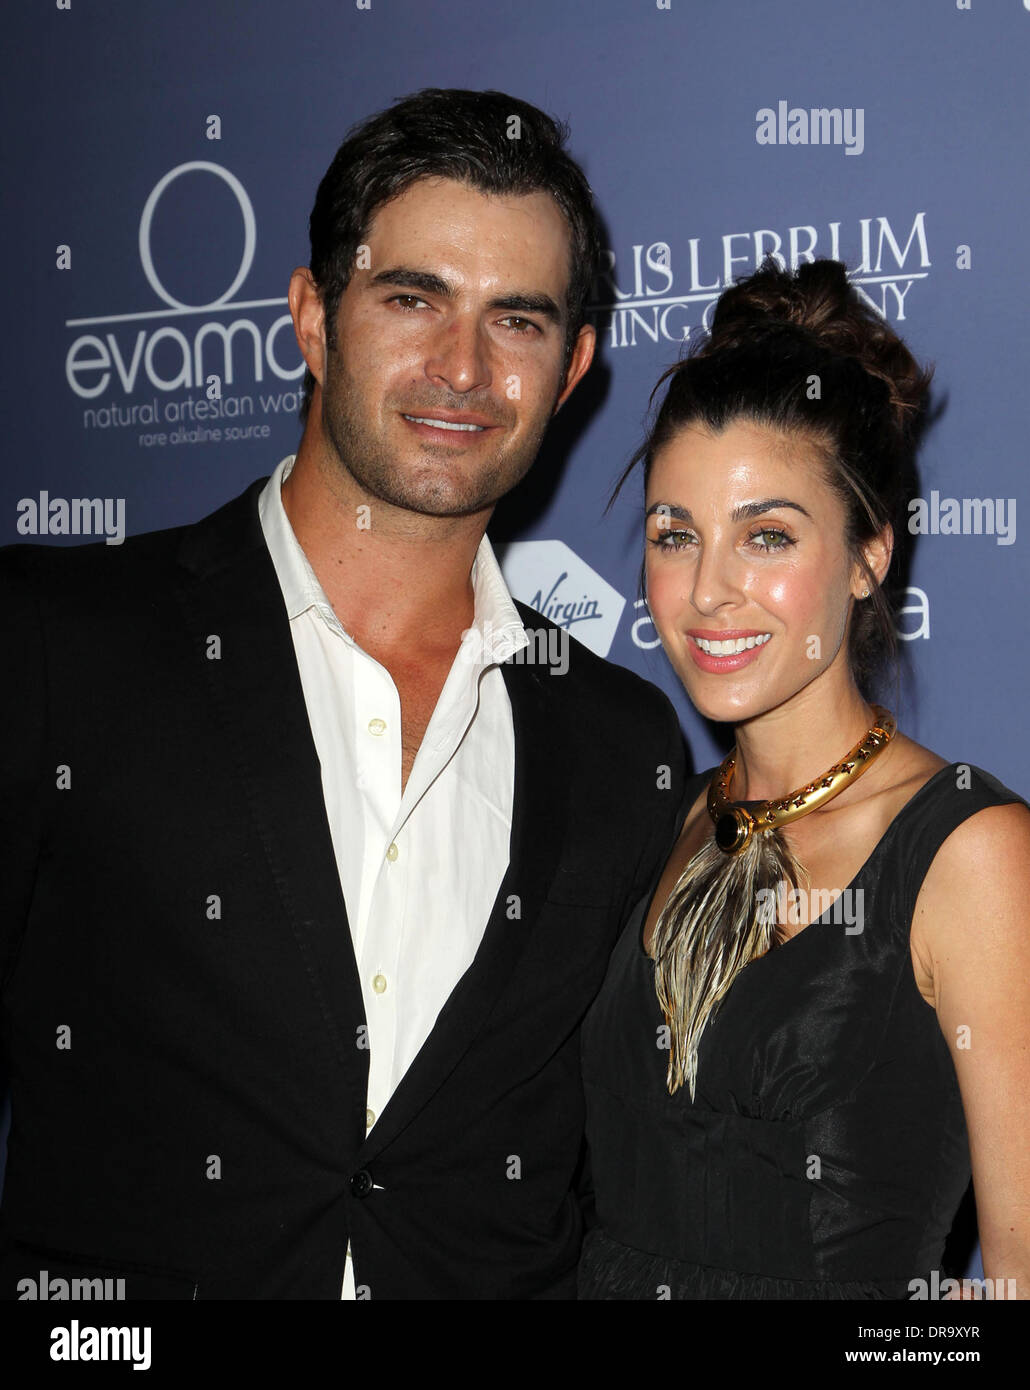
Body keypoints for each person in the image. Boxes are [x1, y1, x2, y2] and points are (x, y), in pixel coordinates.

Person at [0, 88, 687, 1299]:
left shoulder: (621, 743)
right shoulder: (59, 641)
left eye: (516, 320)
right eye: (412, 299)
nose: (462, 367)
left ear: (572, 367)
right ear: (314, 320)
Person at [577, 258, 1030, 1300]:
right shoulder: (666, 816)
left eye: (767, 536)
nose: (707, 591)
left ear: (869, 554)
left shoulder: (971, 855)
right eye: (675, 536)